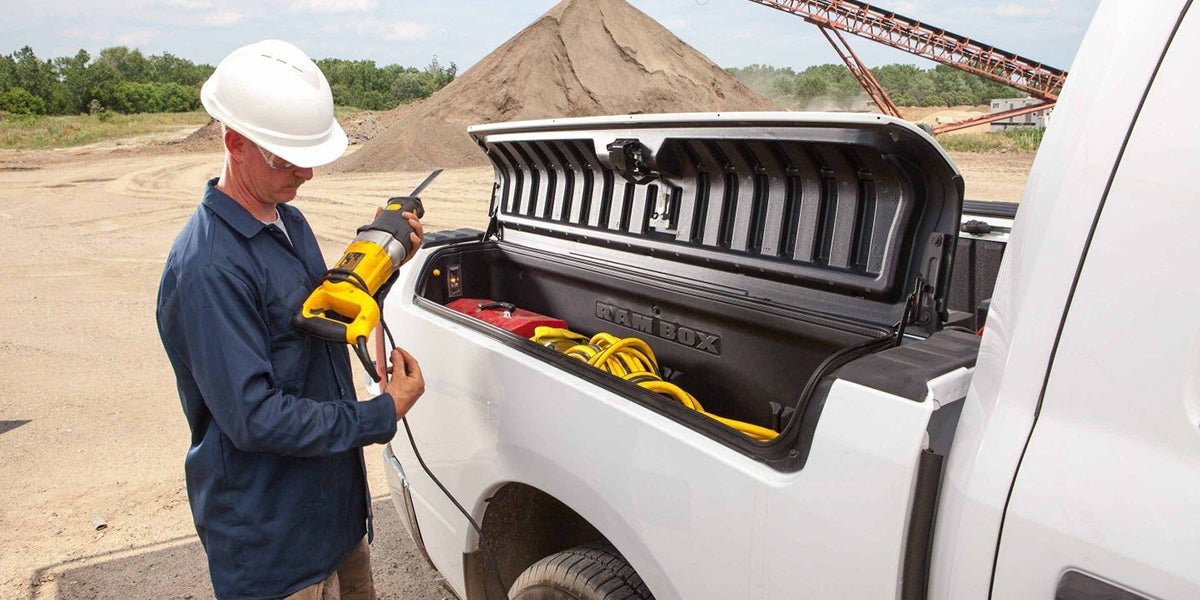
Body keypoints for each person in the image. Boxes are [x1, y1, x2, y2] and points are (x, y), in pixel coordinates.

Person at [156, 40, 424, 599]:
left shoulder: (289, 221)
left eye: (310, 156)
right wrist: (381, 413)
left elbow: (319, 314)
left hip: (333, 519)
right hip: (275, 547)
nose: (304, 173)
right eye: (285, 158)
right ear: (234, 143)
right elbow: (256, 417)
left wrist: (385, 253)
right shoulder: (208, 268)